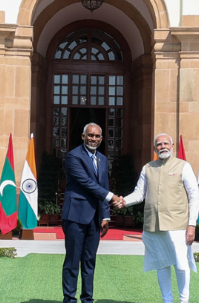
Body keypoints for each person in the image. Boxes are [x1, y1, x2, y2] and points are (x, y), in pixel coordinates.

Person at [119, 133, 199, 303]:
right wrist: (124, 201)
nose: (163, 147)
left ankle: (184, 300)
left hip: (178, 224)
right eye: (159, 144)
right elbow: (139, 194)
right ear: (154, 148)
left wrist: (192, 225)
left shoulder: (183, 166)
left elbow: (194, 197)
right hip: (154, 225)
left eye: (165, 143)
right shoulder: (148, 167)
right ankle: (167, 300)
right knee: (161, 264)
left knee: (181, 264)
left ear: (172, 146)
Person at [62, 123, 120, 303]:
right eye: (90, 135)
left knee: (89, 261)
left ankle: (87, 299)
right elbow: (86, 182)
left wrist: (105, 215)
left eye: (97, 136)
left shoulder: (102, 159)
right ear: (83, 136)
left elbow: (103, 186)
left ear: (101, 139)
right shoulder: (73, 156)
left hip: (95, 218)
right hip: (75, 216)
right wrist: (112, 197)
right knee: (72, 261)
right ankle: (69, 299)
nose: (93, 139)